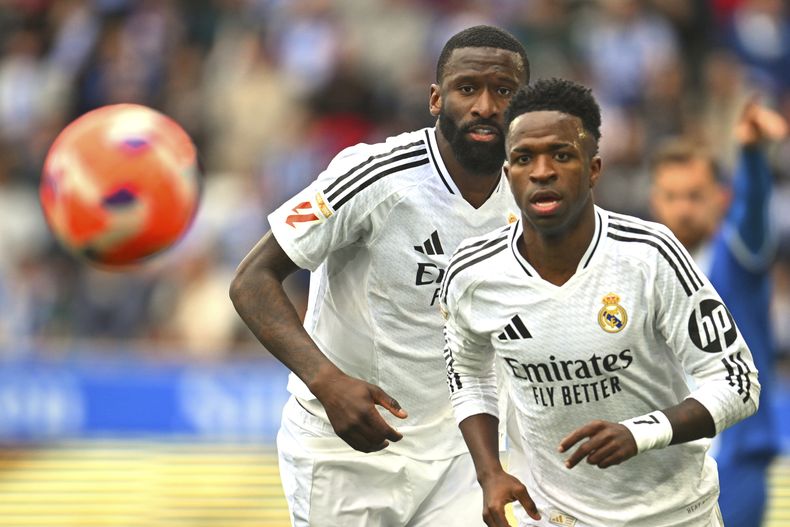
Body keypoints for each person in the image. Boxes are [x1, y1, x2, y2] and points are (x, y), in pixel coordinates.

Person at [229, 25, 529, 527]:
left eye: (504, 91)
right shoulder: (375, 174)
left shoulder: (533, 195)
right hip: (345, 446)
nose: (485, 105)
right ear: (436, 99)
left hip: (461, 452)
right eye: (467, 88)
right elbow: (251, 280)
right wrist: (326, 381)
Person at [440, 78, 760, 527]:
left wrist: (642, 432)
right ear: (507, 171)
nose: (542, 172)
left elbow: (738, 383)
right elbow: (469, 376)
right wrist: (490, 473)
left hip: (673, 514)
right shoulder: (473, 273)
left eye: (562, 155)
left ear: (594, 169)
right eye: (524, 158)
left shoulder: (650, 254)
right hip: (556, 515)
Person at [650, 102, 786, 527]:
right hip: (669, 462)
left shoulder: (735, 259)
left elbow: (754, 222)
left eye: (695, 195)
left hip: (735, 457)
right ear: (655, 199)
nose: (683, 208)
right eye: (672, 196)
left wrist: (751, 155)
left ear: (720, 198)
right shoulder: (643, 268)